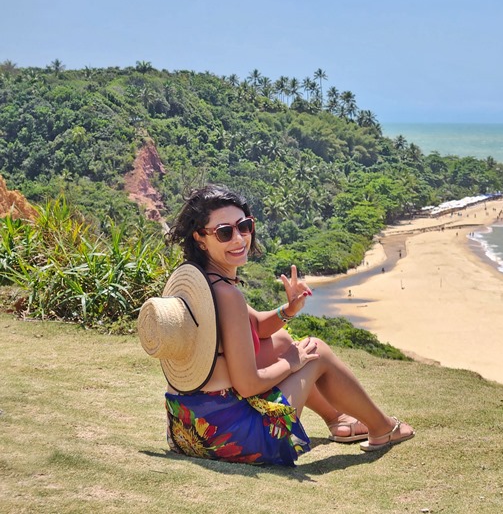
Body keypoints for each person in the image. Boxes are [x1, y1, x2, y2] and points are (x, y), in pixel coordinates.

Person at [138, 184, 414, 466]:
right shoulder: (226, 294)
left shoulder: (199, 283)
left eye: (243, 226)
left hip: (188, 430)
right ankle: (383, 428)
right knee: (315, 350)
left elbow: (255, 327)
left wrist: (289, 309)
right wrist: (294, 361)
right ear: (200, 239)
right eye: (224, 232)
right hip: (233, 440)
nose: (239, 239)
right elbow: (248, 386)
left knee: (281, 341)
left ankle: (339, 421)